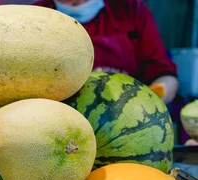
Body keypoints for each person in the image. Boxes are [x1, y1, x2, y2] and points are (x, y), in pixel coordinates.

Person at [33, 0, 179, 104]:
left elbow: (165, 76)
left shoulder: (131, 9)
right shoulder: (34, 17)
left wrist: (147, 104)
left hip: (126, 121)